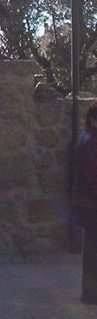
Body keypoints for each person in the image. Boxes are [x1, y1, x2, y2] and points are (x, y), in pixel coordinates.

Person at [73, 99, 97, 304]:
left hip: (88, 201)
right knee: (92, 249)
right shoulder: (90, 141)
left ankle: (90, 292)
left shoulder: (89, 138)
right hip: (91, 203)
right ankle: (90, 293)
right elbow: (91, 177)